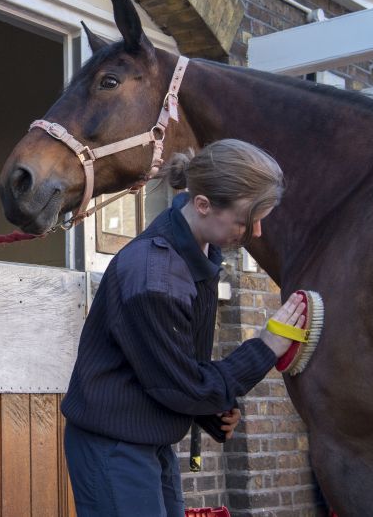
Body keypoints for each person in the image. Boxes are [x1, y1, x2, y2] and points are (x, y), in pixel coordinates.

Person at [61, 139, 307, 517]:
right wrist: (265, 347)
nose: (256, 232)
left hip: (147, 438)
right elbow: (181, 384)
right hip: (114, 446)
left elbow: (166, 366)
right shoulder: (154, 276)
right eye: (246, 220)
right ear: (204, 205)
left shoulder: (199, 254)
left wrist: (210, 410)